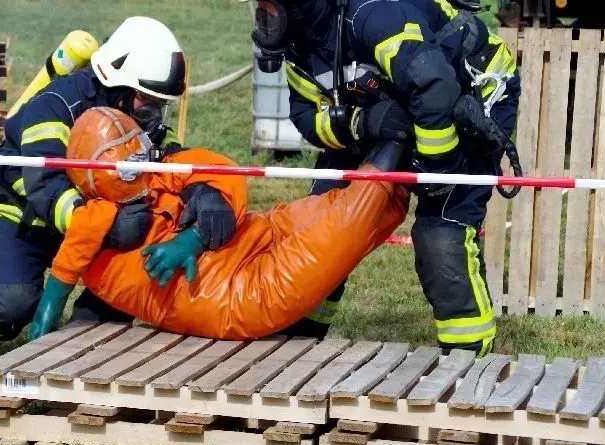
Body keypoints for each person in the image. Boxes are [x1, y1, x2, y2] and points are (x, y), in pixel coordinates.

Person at [228, 0, 521, 355]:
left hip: (470, 98)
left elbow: (434, 85)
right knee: (323, 218)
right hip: (400, 103)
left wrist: (436, 168)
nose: (263, 21)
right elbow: (307, 116)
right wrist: (363, 126)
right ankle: (298, 337)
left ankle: (466, 359)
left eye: (268, 7)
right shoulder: (302, 41)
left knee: (440, 234)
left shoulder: (372, 13)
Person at [0, 17, 238, 355]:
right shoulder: (56, 105)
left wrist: (204, 189)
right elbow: (45, 186)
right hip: (13, 210)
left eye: (162, 105)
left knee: (138, 265)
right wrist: (109, 228)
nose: (155, 115)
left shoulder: (133, 114)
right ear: (118, 84)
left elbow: (171, 158)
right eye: (148, 101)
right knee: (13, 303)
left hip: (86, 221)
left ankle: (83, 333)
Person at [28, 107, 410, 341]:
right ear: (106, 173)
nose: (146, 158)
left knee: (337, 207)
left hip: (258, 232)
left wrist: (194, 237)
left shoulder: (156, 173)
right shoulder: (91, 223)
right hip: (242, 294)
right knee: (347, 224)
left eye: (142, 146)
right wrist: (31, 362)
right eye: (133, 159)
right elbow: (53, 297)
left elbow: (222, 169)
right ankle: (401, 132)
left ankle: (402, 153)